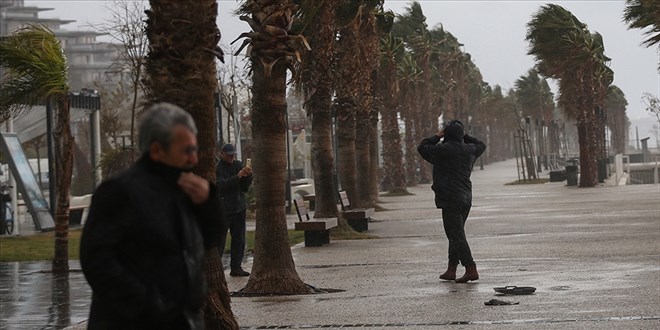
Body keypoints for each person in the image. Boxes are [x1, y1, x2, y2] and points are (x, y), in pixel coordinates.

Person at [80, 103, 223, 329]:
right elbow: (97, 260)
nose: (193, 159)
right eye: (186, 151)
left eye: (194, 149)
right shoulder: (120, 192)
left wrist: (208, 203)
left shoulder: (183, 188)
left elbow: (210, 239)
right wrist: (149, 304)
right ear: (157, 150)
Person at [417, 120, 486, 283]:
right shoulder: (470, 150)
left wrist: (437, 135)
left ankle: (470, 268)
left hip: (450, 197)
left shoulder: (442, 150)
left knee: (455, 235)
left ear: (447, 134)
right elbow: (481, 144)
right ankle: (451, 269)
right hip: (466, 197)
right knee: (456, 234)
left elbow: (422, 147)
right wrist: (464, 135)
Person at [216, 143, 253, 276]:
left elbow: (244, 188)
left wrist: (248, 176)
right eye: (229, 155)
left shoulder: (238, 165)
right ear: (222, 154)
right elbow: (221, 186)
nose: (232, 157)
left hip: (239, 207)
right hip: (224, 209)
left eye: (233, 155)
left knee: (239, 239)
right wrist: (237, 176)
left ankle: (236, 267)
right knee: (220, 240)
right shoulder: (218, 168)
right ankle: (217, 268)